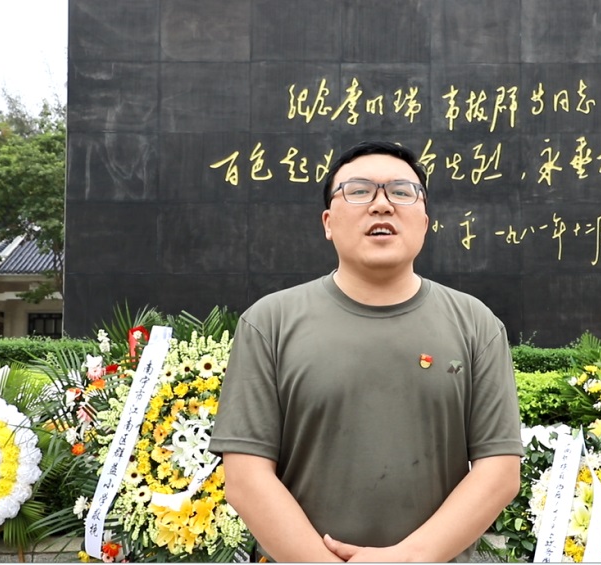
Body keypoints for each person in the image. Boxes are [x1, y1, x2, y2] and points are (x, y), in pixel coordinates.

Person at [210, 140, 522, 562]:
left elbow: (499, 472)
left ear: (425, 221)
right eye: (358, 191)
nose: (381, 205)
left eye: (401, 192)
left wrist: (407, 559)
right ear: (328, 222)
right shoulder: (270, 322)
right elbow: (246, 477)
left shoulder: (476, 325)